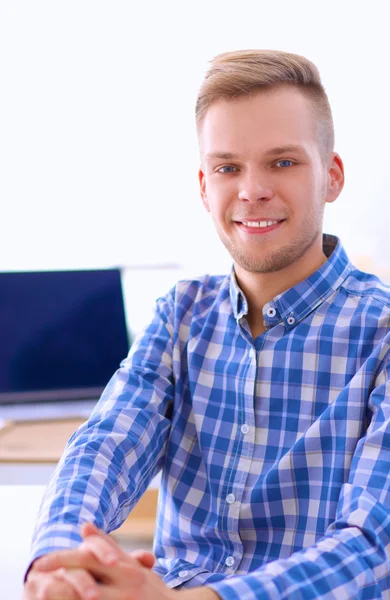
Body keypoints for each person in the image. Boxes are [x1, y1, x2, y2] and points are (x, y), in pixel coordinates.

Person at [23, 49, 390, 600]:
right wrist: (59, 562)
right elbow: (106, 445)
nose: (252, 190)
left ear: (331, 176)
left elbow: (372, 547)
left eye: (283, 162)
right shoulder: (180, 314)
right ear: (203, 185)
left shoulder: (382, 332)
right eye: (227, 168)